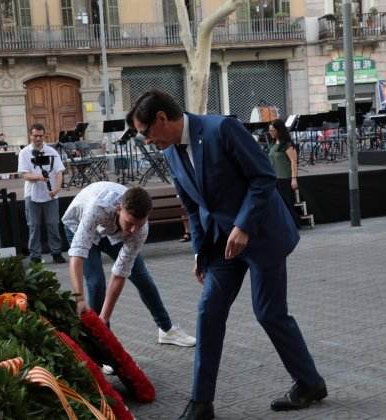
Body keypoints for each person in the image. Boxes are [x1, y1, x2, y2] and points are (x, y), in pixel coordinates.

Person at [127, 90, 326, 420]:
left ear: (162, 119)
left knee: (268, 313)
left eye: (146, 133)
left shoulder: (222, 129)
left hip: (261, 235)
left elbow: (262, 177)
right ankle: (201, 403)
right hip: (221, 245)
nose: (146, 141)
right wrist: (198, 254)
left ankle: (310, 383)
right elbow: (193, 207)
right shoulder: (172, 153)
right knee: (208, 311)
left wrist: (244, 225)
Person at [63, 181, 196, 347]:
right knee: (96, 282)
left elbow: (119, 274)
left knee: (142, 278)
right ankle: (102, 344)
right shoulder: (97, 209)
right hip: (78, 225)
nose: (133, 230)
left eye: (138, 225)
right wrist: (79, 299)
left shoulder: (140, 229)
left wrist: (104, 317)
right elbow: (77, 255)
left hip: (112, 230)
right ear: (119, 208)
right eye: (130, 223)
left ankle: (166, 330)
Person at [17, 123, 66, 264]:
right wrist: (39, 177)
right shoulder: (24, 152)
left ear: (44, 136)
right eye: (35, 136)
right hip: (32, 194)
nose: (38, 138)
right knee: (34, 225)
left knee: (53, 224)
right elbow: (25, 175)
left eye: (40, 136)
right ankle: (35, 255)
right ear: (30, 136)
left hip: (50, 194)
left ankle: (56, 252)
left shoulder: (51, 151)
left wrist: (57, 188)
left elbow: (59, 172)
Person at [268, 119, 301, 229]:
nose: (270, 132)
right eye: (270, 130)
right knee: (279, 204)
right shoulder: (273, 144)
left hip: (285, 178)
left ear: (279, 130)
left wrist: (294, 178)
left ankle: (294, 225)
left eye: (272, 130)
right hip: (275, 177)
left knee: (287, 203)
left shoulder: (287, 145)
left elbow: (293, 161)